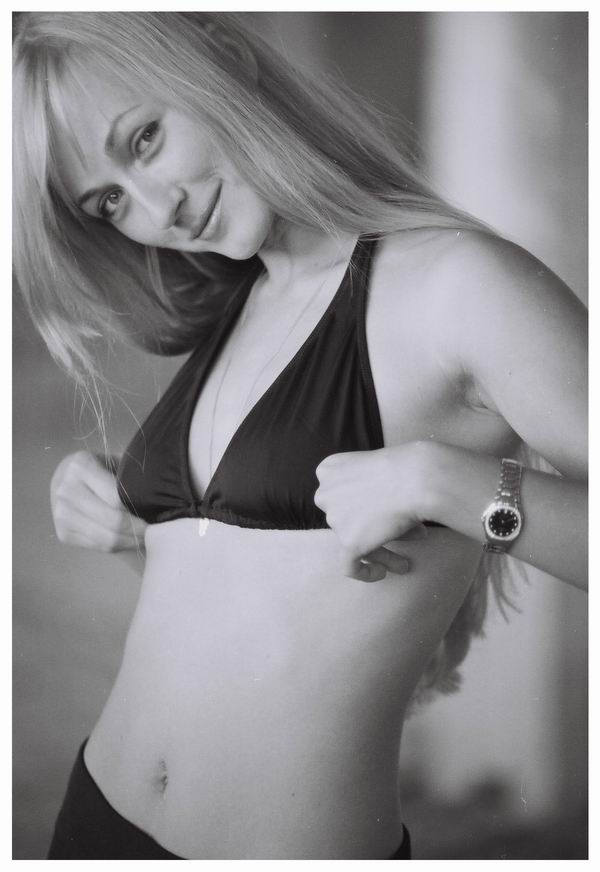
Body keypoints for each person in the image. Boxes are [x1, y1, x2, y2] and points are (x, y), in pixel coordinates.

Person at [13, 11, 587, 861]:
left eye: (144, 140)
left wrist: (448, 484)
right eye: (110, 201)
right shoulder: (241, 301)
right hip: (94, 822)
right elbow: (249, 597)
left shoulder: (458, 283)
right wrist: (119, 513)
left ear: (224, 61)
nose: (160, 209)